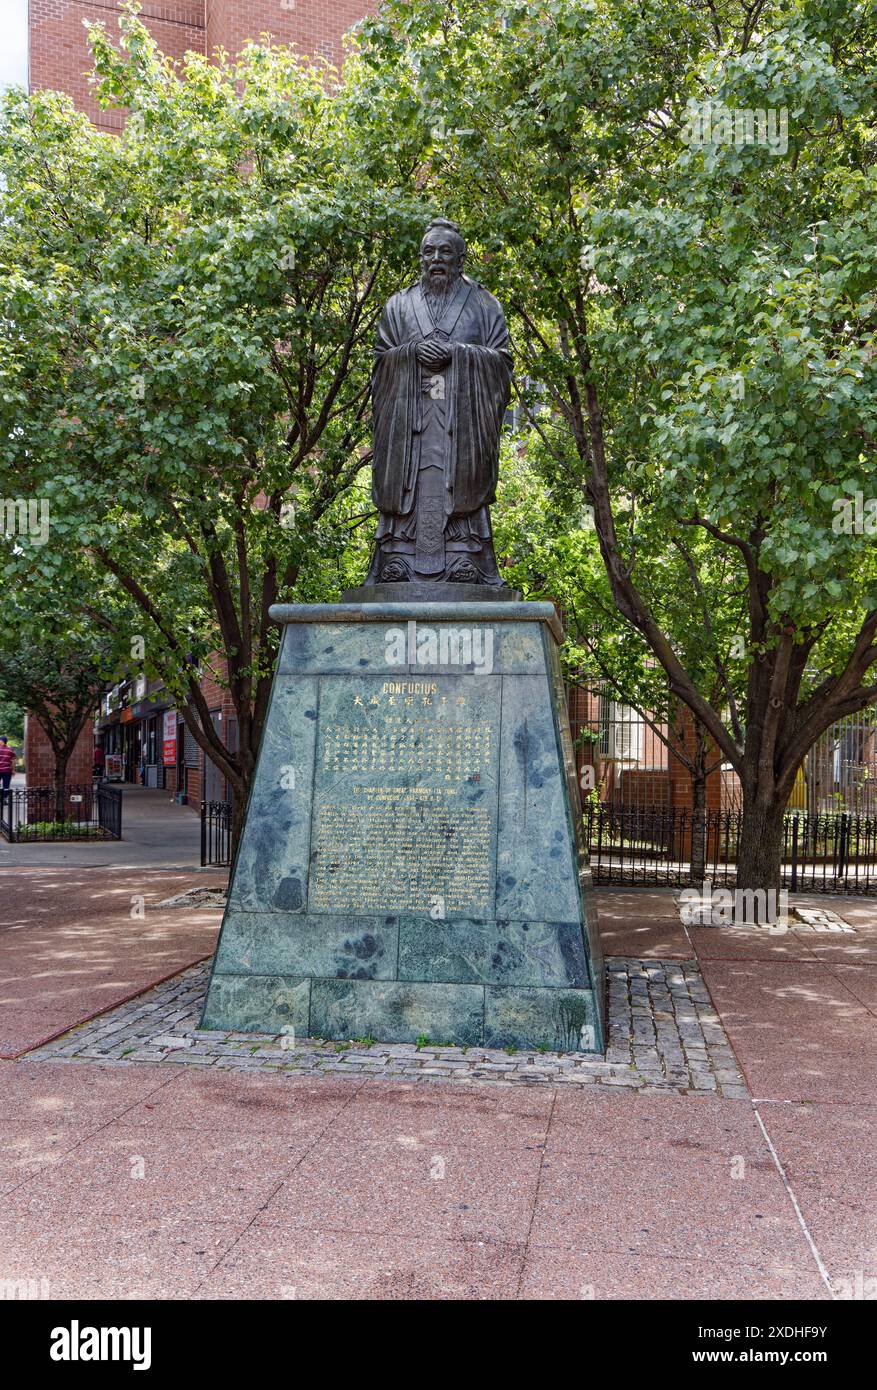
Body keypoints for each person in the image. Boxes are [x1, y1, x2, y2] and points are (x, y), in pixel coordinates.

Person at [364, 217, 513, 587]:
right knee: (409, 489)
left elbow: (503, 363)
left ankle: (468, 559)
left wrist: (458, 354)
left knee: (459, 488)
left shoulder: (484, 305)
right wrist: (411, 353)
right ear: (419, 258)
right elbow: (380, 363)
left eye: (446, 251)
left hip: (458, 429)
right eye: (429, 251)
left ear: (461, 259)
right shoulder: (398, 306)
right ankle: (396, 560)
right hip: (410, 432)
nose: (436, 259)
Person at [0, 735, 16, 815]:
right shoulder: (10, 750)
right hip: (7, 770)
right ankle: (4, 799)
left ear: (2, 741)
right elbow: (13, 761)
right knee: (6, 786)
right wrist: (13, 770)